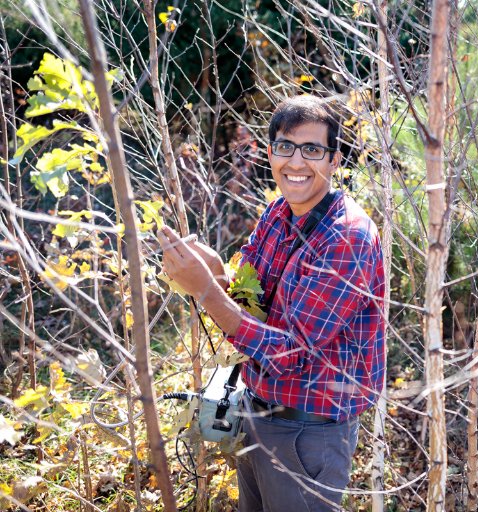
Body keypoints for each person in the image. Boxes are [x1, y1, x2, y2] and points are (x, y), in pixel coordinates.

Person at [157, 95, 386, 511]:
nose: (296, 163)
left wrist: (205, 289)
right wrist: (217, 274)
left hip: (307, 435)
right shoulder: (279, 212)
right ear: (271, 153)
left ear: (334, 160)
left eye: (312, 150)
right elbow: (256, 302)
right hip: (257, 413)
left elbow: (290, 352)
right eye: (285, 147)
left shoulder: (347, 238)